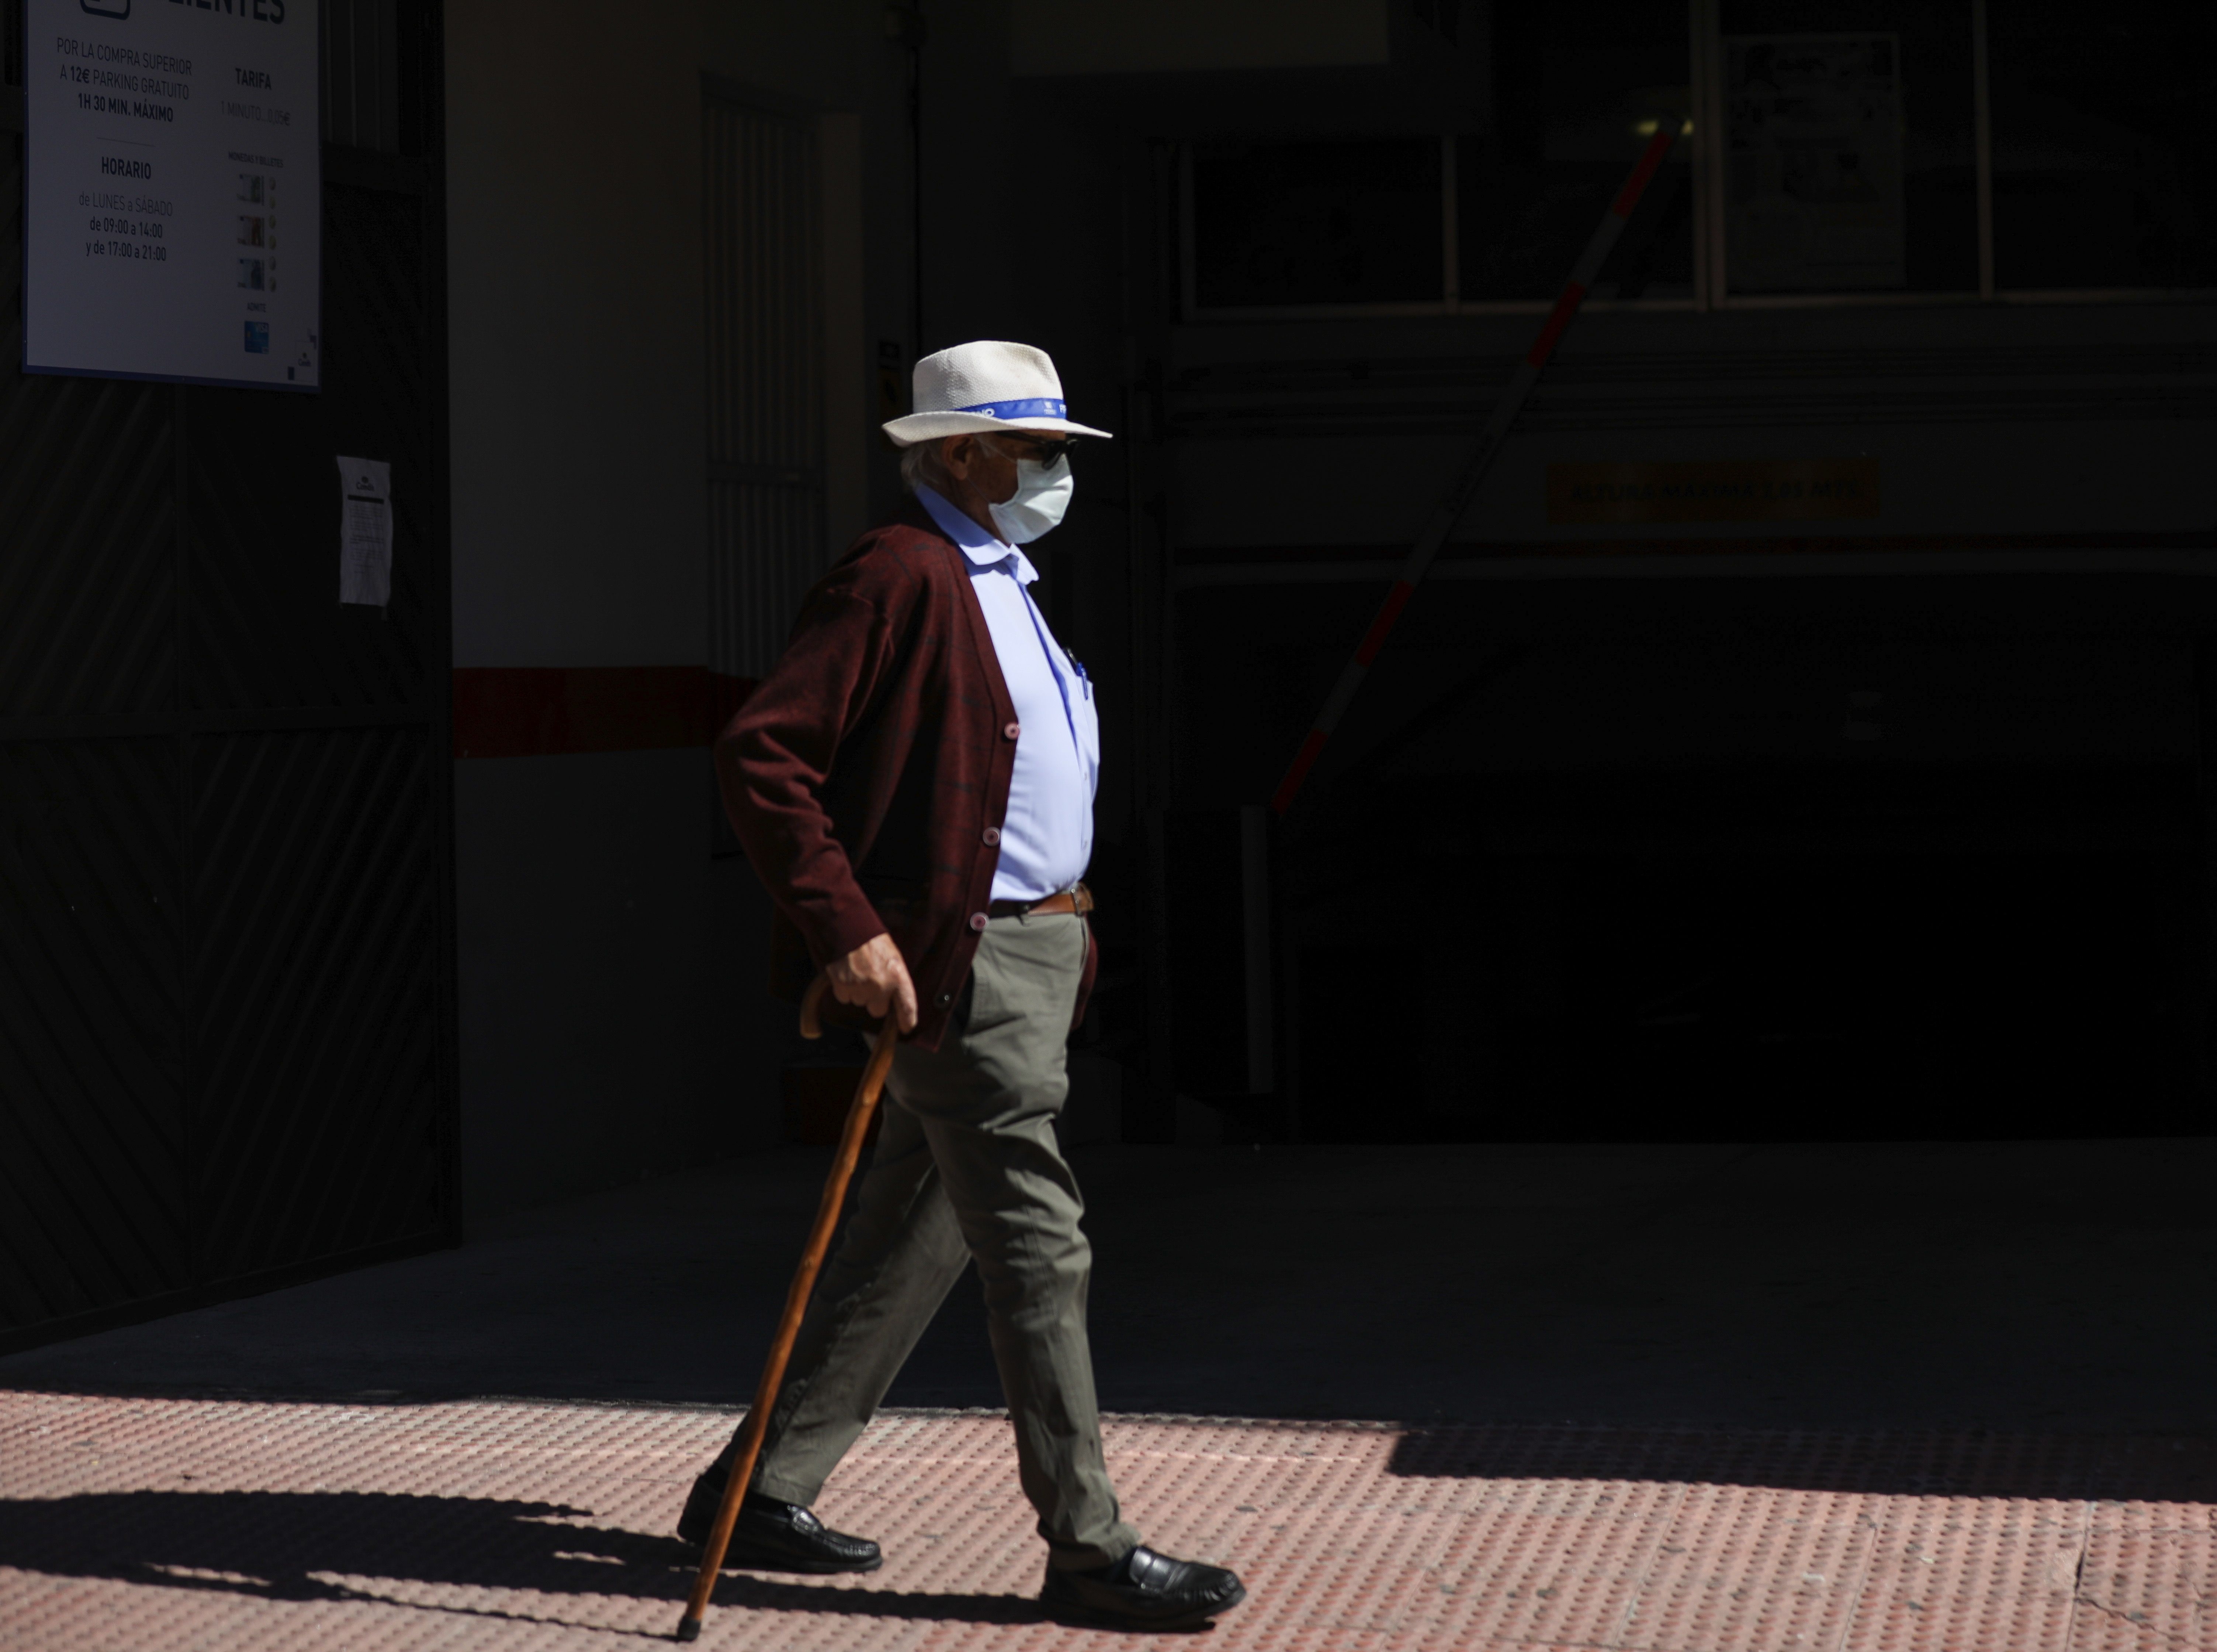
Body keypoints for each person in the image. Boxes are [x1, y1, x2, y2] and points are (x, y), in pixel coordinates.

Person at [684, 340, 1247, 1630]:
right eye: (1036, 449)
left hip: (1034, 948)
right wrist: (846, 932)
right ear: (957, 456)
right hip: (965, 959)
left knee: (913, 1226)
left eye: (1058, 451)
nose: (1056, 472)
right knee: (1039, 1251)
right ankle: (1090, 1549)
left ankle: (756, 1494)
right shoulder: (899, 572)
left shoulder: (996, 576)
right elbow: (765, 758)